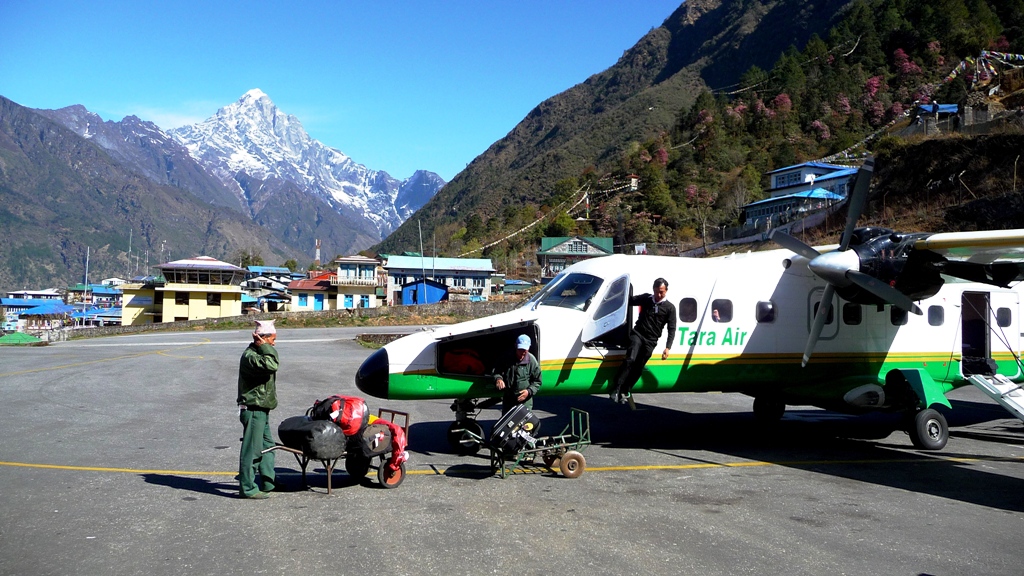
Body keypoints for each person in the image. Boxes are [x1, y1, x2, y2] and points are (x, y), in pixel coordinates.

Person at [610, 278, 677, 405]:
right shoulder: (646, 299)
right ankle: (616, 387)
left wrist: (668, 347)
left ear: (666, 291)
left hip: (651, 340)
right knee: (630, 359)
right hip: (638, 334)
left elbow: (671, 329)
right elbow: (628, 301)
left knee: (639, 366)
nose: (658, 295)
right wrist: (613, 296)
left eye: (661, 292)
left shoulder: (670, 308)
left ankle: (626, 389)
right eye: (656, 291)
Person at [236, 320, 279, 499]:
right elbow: (272, 365)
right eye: (272, 340)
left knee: (268, 447)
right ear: (262, 339)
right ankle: (248, 488)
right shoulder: (251, 356)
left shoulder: (259, 353)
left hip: (262, 408)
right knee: (252, 450)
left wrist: (264, 346)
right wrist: (263, 346)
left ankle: (269, 482)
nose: (274, 344)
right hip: (253, 409)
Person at [494, 334, 542, 415]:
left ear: (529, 348)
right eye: (520, 349)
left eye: (525, 350)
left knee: (524, 425)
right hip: (509, 399)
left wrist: (529, 391)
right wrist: (498, 379)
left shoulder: (532, 361)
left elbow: (537, 381)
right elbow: (496, 371)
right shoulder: (506, 357)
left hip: (525, 401)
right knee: (507, 425)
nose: (522, 353)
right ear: (515, 345)